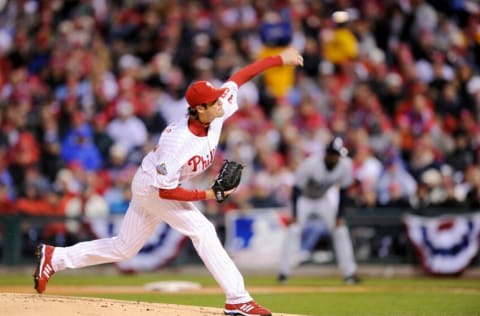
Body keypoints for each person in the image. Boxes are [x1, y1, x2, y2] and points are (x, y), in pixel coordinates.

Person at [33, 47, 304, 316]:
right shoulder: (177, 142)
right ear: (199, 109)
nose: (222, 101)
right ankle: (238, 299)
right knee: (203, 230)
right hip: (154, 188)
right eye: (214, 101)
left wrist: (278, 60)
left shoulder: (215, 112)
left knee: (124, 248)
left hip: (152, 182)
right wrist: (208, 195)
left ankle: (55, 258)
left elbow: (240, 77)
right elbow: (166, 191)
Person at [278, 136, 361, 285]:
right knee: (294, 229)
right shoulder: (311, 164)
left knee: (340, 230)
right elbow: (296, 189)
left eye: (338, 154)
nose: (336, 158)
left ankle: (350, 273)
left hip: (323, 200)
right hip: (304, 199)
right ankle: (283, 272)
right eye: (333, 154)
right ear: (327, 153)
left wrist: (340, 216)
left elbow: (344, 191)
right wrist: (295, 214)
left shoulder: (345, 165)